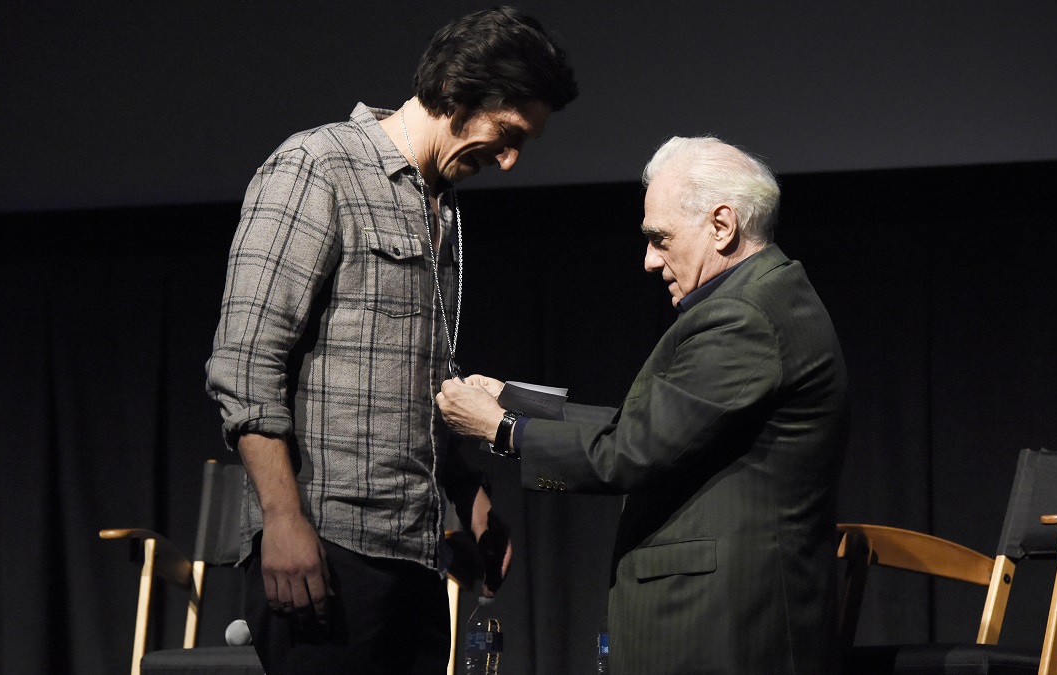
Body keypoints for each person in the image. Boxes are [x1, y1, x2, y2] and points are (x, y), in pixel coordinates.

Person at [204, 8, 577, 674]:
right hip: (325, 549)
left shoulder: (441, 208)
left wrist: (466, 492)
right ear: (461, 96)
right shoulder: (318, 168)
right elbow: (245, 362)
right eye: (509, 133)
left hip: (415, 554)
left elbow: (414, 376)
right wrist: (284, 522)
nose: (512, 160)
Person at [437, 136, 849, 674]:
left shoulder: (745, 317)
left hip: (724, 626)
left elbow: (630, 452)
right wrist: (516, 403)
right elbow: (662, 427)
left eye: (660, 238)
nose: (650, 260)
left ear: (722, 227)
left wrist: (504, 429)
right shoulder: (766, 297)